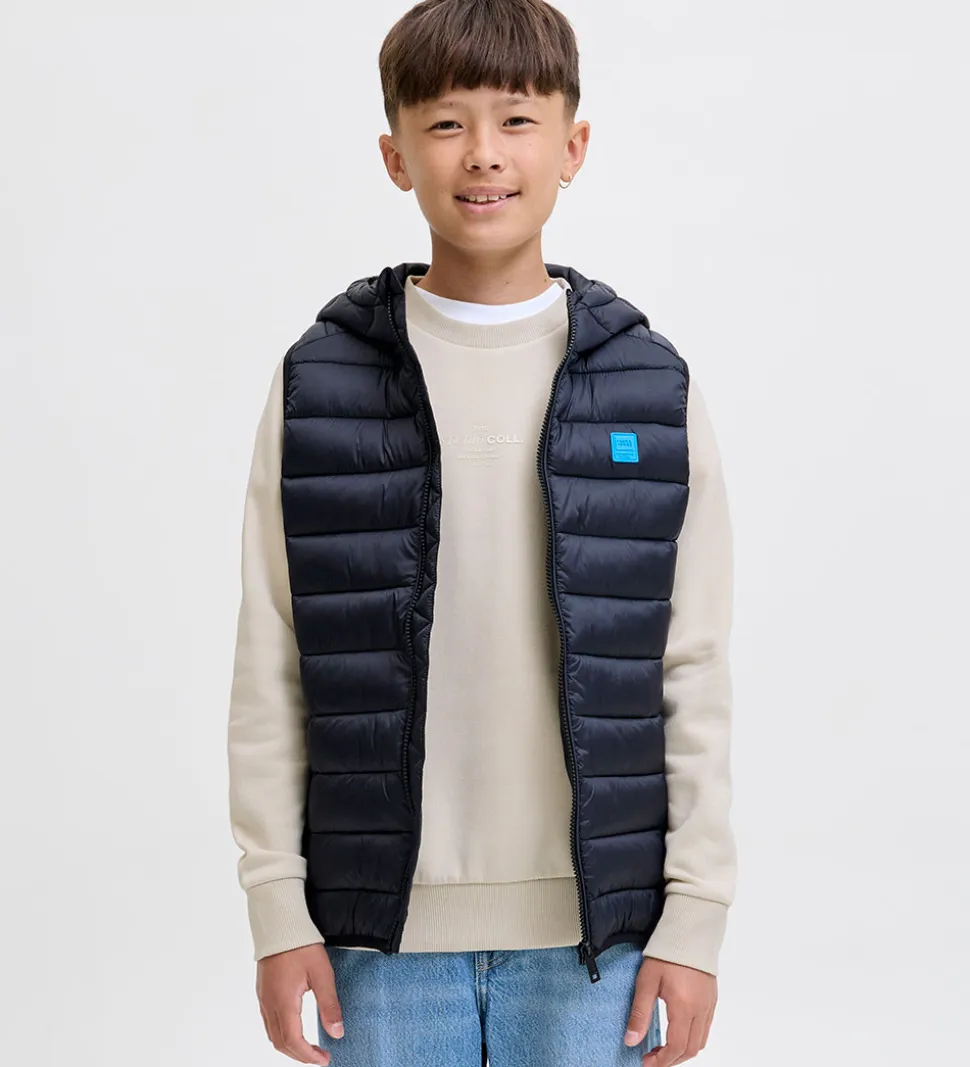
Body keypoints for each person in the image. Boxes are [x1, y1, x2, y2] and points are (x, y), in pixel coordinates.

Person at [226, 1, 737, 1064]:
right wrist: (277, 907)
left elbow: (688, 666)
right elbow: (273, 657)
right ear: (395, 156)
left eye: (516, 119)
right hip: (376, 935)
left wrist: (694, 916)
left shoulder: (649, 385)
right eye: (447, 123)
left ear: (572, 147)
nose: (484, 154)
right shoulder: (321, 382)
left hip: (600, 936)